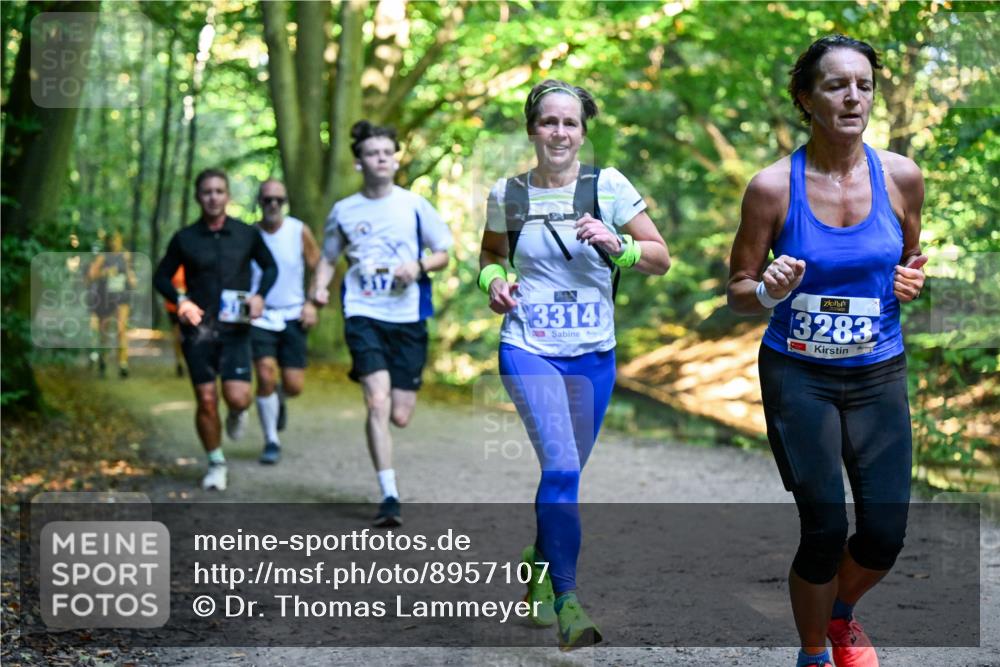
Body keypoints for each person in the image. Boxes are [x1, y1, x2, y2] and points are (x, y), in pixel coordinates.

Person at [726, 35, 927, 667]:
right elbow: (737, 292)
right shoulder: (770, 188)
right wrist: (765, 289)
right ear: (806, 99)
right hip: (799, 375)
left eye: (863, 85)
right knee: (824, 530)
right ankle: (815, 653)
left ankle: (838, 615)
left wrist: (914, 284)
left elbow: (908, 264)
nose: (853, 97)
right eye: (837, 85)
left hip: (877, 372)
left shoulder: (900, 177)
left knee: (885, 534)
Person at [477, 80, 670, 650]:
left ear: (583, 132)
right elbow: (489, 255)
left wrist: (619, 245)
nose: (558, 132)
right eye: (547, 122)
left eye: (569, 123)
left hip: (594, 354)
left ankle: (538, 562)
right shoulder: (508, 193)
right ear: (531, 128)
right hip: (527, 346)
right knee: (561, 469)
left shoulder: (606, 186)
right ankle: (567, 602)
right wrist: (495, 283)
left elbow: (659, 258)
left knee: (564, 477)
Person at [312, 120, 452, 527]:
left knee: (400, 413)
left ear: (395, 159)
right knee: (377, 400)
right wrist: (318, 290)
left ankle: (390, 454)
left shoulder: (413, 205)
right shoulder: (345, 211)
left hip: (408, 317)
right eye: (373, 154)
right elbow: (327, 257)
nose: (382, 159)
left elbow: (444, 252)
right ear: (360, 162)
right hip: (363, 313)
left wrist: (419, 265)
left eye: (388, 153)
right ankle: (389, 494)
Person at [153, 168, 278, 492]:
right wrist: (180, 301)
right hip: (198, 331)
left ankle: (238, 412)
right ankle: (216, 462)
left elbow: (270, 267)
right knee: (206, 400)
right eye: (207, 192)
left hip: (236, 329)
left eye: (219, 191)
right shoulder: (185, 238)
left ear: (228, 196)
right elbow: (161, 277)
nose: (213, 197)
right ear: (198, 197)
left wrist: (260, 295)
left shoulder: (247, 234)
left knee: (237, 398)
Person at [249, 178, 321, 464]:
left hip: (293, 314)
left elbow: (320, 268)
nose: (273, 205)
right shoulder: (249, 234)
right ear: (259, 203)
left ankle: (279, 398)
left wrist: (312, 303)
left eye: (279, 199)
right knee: (265, 374)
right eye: (267, 200)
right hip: (259, 317)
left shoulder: (298, 231)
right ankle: (271, 440)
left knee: (294, 385)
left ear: (286, 202)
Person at [87, 231, 137, 378]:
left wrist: (132, 280)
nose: (115, 243)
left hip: (122, 297)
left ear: (121, 240)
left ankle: (123, 364)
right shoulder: (103, 257)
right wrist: (105, 272)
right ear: (108, 242)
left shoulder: (125, 256)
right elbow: (91, 275)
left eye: (117, 239)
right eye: (112, 240)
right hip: (105, 298)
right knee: (105, 330)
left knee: (121, 329)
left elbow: (129, 274)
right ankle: (103, 359)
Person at [164, 265, 187, 377]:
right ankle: (179, 362)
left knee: (189, 335)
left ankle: (189, 360)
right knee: (178, 335)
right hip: (173, 307)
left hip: (191, 307)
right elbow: (163, 282)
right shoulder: (172, 265)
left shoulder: (192, 262)